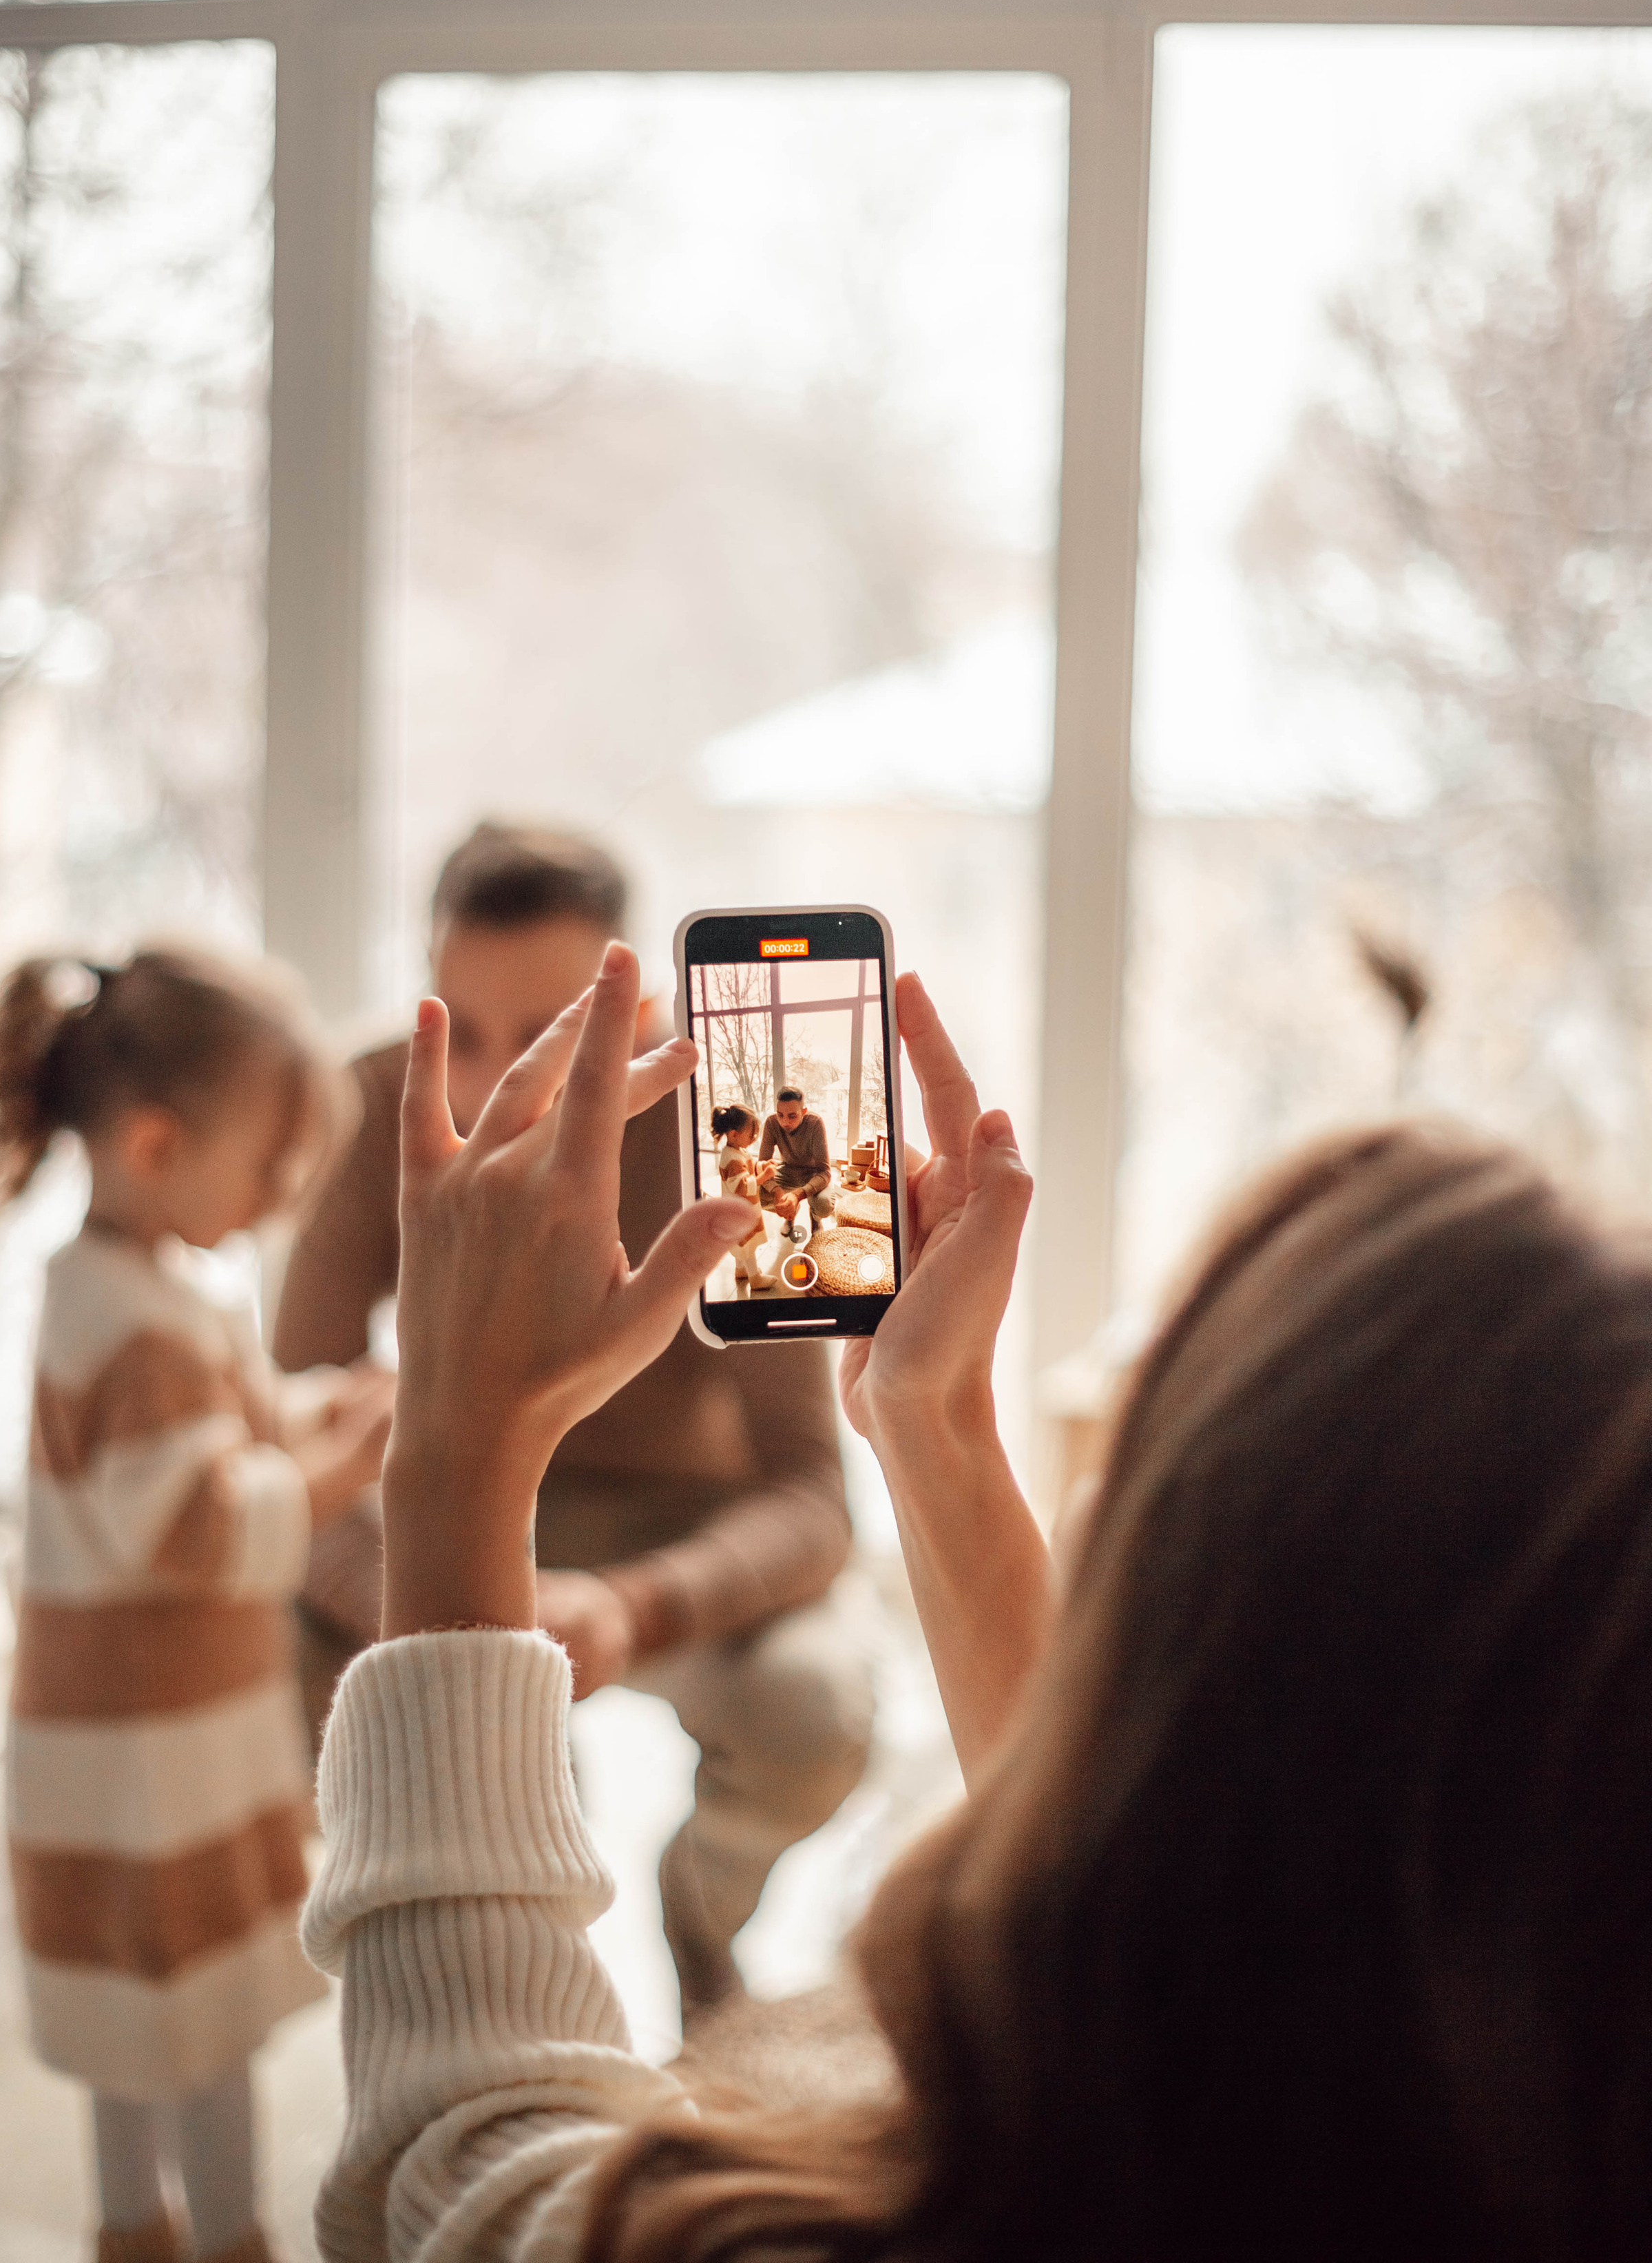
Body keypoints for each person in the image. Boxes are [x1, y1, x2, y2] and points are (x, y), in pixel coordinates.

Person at [304, 945, 1652, 2262]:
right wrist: (934, 1426)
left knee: (808, 1703)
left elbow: (462, 2154)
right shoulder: (1474, 2129)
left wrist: (458, 1446)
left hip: (646, 1564)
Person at [273, 822, 873, 2016]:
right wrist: (457, 1611)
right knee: (315, 1676)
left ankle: (703, 1924)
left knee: (817, 1714)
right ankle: (498, 1990)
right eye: (467, 1031)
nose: (509, 1088)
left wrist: (636, 1604)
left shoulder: (743, 1114)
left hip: (674, 1524)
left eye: (554, 1036)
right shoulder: (376, 1098)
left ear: (635, 1009)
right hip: (449, 1510)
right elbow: (290, 1449)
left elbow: (814, 1502)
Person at [0, 946, 394, 2263]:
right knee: (182, 2021)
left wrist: (321, 1412)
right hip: (138, 1758)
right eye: (271, 1172)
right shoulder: (132, 1321)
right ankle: (209, 2234)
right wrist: (332, 1474)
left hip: (166, 1737)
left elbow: (231, 1426)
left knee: (156, 2019)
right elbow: (194, 1524)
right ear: (158, 1145)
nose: (284, 1202)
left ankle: (147, 2222)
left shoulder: (145, 1291)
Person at [709, 1101, 777, 1290]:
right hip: (738, 1210)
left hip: (742, 1208)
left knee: (742, 1243)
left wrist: (763, 1166)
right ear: (734, 1135)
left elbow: (751, 1166)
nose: (754, 1138)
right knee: (747, 1245)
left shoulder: (738, 1151)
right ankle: (755, 1278)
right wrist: (765, 1177)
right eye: (751, 1134)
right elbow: (742, 1185)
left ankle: (740, 1270)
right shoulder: (731, 1159)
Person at [757, 1084, 833, 1242]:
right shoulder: (771, 1123)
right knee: (754, 1194)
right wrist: (778, 1191)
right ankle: (790, 1215)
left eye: (792, 1116)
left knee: (824, 1205)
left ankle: (815, 1218)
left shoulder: (815, 1122)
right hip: (787, 1171)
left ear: (803, 1112)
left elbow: (825, 1171)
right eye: (780, 1115)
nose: (785, 1122)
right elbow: (761, 1166)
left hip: (813, 1173)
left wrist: (797, 1195)